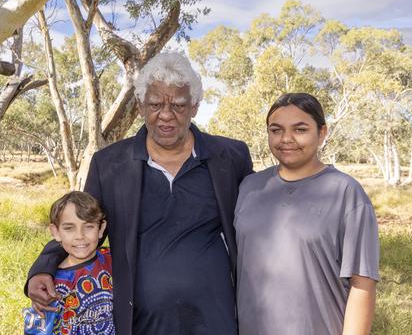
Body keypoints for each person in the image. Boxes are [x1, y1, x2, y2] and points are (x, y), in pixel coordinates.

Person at [26, 52, 253, 334]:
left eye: (179, 105)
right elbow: (82, 224)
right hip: (140, 321)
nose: (166, 115)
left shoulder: (230, 156)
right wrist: (43, 268)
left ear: (194, 106)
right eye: (155, 104)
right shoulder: (109, 163)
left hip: (217, 317)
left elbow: (261, 219)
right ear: (140, 106)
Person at [234, 93, 380, 335]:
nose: (286, 139)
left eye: (300, 129)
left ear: (322, 133)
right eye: (276, 130)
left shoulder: (346, 193)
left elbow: (362, 284)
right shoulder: (249, 187)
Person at [23, 191, 114, 334]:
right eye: (69, 228)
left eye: (89, 226)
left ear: (101, 229)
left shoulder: (110, 259)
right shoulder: (50, 286)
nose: (80, 236)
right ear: (56, 232)